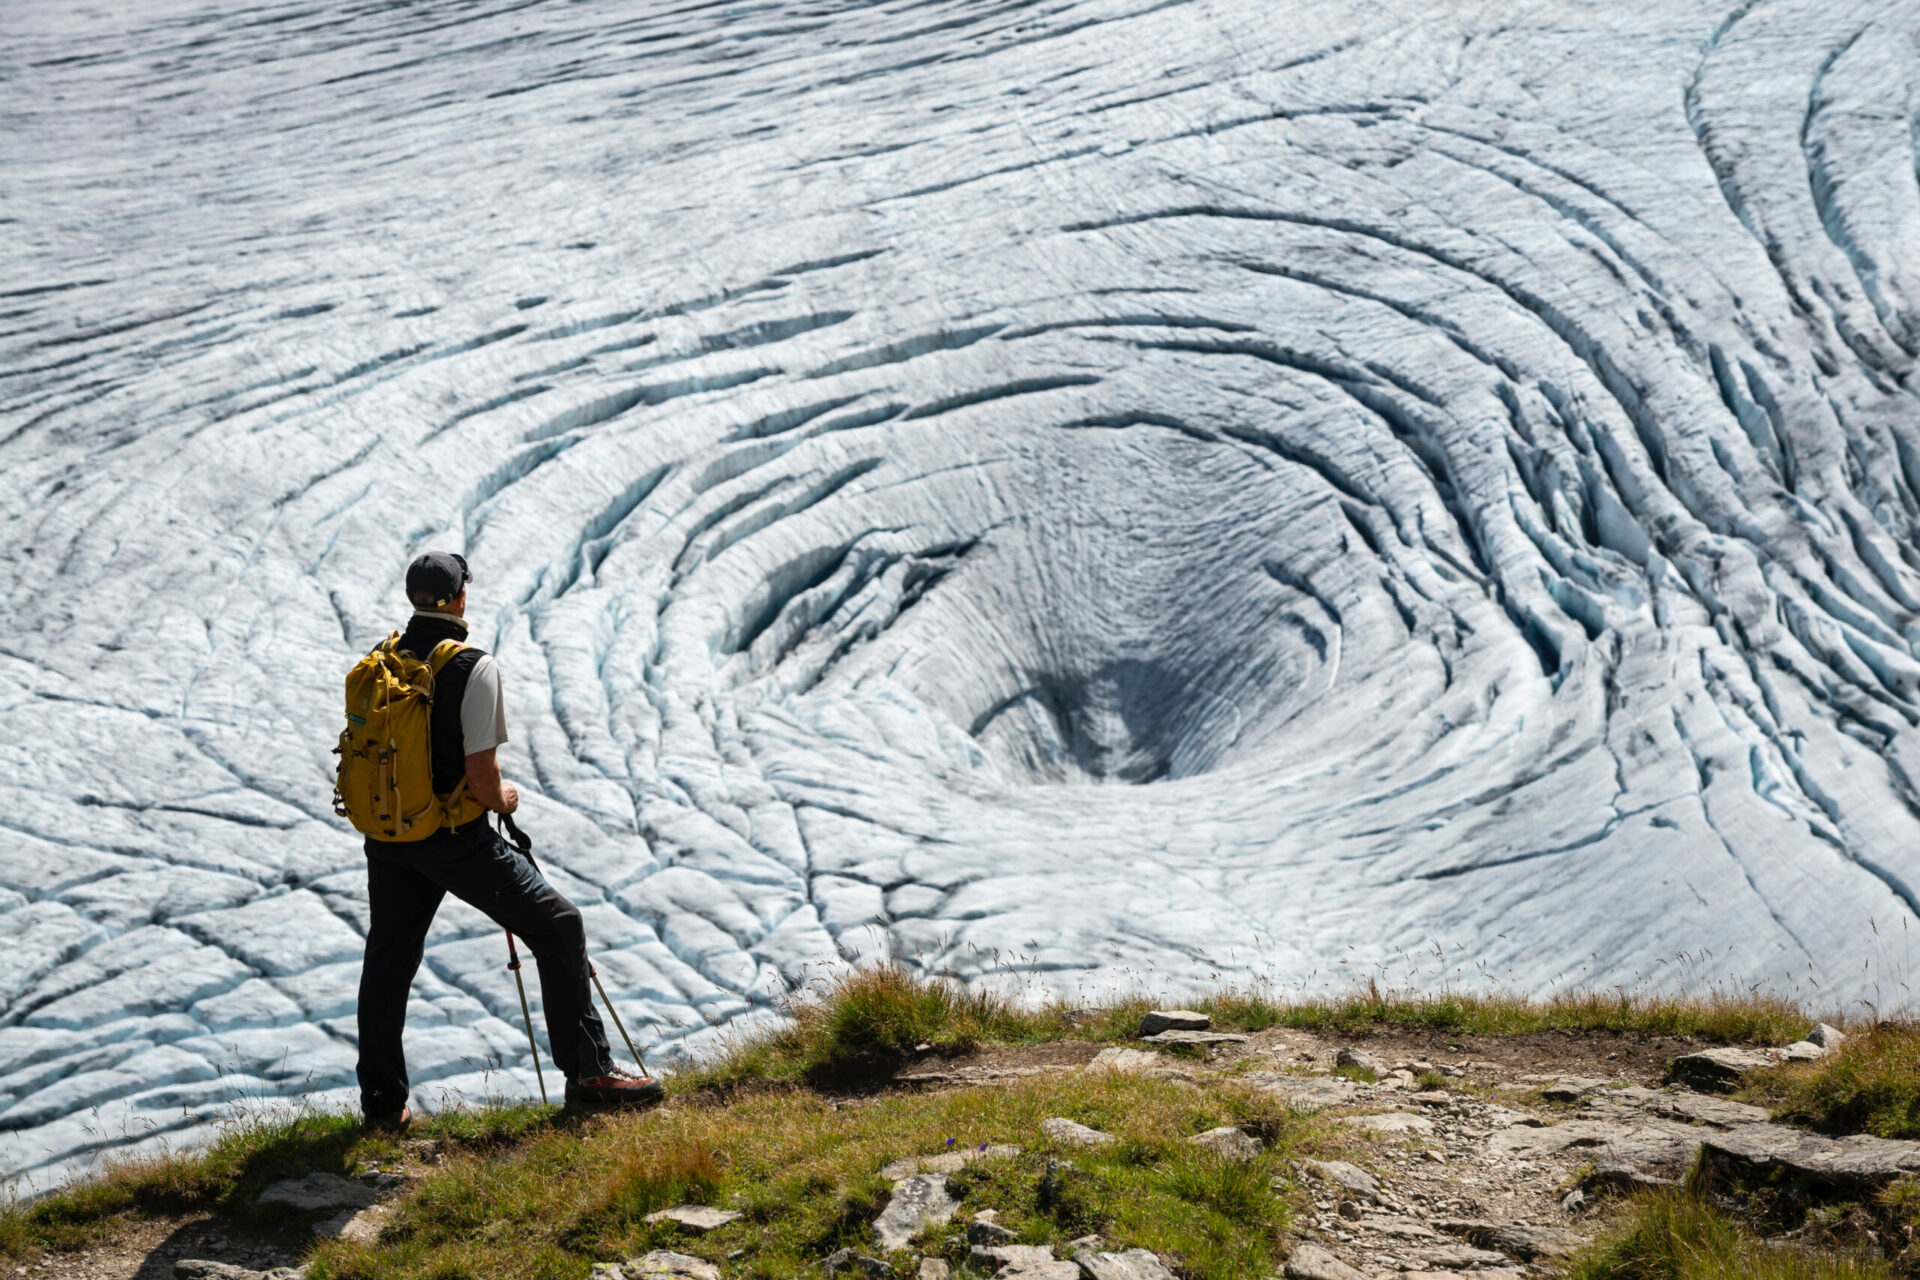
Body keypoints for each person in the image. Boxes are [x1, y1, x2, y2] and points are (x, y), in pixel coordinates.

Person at [354, 550, 662, 1129]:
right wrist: (506, 800)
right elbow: (482, 778)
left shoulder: (383, 661)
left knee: (388, 961)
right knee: (560, 926)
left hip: (392, 837)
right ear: (460, 597)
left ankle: (382, 1106)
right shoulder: (474, 667)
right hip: (454, 839)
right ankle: (591, 1074)